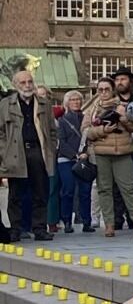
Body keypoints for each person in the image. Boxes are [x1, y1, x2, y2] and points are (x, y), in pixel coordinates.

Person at [85, 67, 133, 237]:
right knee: (104, 189)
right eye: (100, 90)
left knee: (128, 188)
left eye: (107, 89)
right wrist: (102, 130)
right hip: (102, 153)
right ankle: (110, 224)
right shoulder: (92, 109)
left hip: (123, 152)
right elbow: (85, 133)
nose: (104, 92)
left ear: (112, 90)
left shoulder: (123, 106)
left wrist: (123, 117)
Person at [0, 69, 58, 243]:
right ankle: (16, 229)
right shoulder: (5, 104)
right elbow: (1, 131)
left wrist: (51, 149)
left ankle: (39, 228)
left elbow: (52, 130)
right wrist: (4, 151)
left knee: (40, 192)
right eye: (23, 83)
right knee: (16, 194)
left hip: (37, 151)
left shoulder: (43, 103)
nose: (27, 86)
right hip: (15, 152)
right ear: (15, 85)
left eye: (29, 82)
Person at [55, 90, 93, 234]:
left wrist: (85, 153)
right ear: (67, 103)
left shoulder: (86, 119)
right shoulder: (62, 121)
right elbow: (61, 142)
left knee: (85, 191)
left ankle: (86, 221)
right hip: (66, 159)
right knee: (68, 190)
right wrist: (75, 155)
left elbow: (90, 138)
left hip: (84, 158)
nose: (76, 102)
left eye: (78, 99)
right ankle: (66, 221)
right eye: (72, 100)